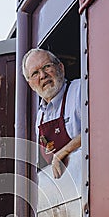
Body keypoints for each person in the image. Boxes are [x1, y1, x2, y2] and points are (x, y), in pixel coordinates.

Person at [22, 48, 81, 179]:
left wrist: (64, 152)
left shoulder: (80, 90)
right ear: (31, 84)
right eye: (35, 73)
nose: (43, 75)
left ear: (61, 67)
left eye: (47, 66)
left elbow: (98, 130)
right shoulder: (39, 117)